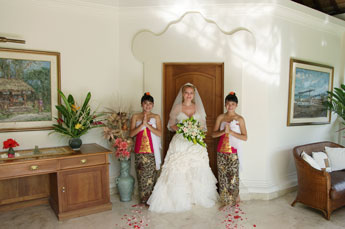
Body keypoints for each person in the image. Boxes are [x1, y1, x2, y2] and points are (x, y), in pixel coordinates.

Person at [147, 83, 218, 213]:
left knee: (197, 167)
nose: (189, 95)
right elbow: (171, 125)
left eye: (191, 93)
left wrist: (195, 132)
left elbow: (202, 126)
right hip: (180, 141)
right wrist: (183, 130)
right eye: (186, 92)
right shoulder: (177, 108)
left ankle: (196, 196)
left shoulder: (198, 108)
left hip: (195, 143)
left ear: (194, 95)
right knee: (179, 167)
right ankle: (177, 198)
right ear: (183, 94)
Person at [212, 92, 247, 209]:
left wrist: (231, 132)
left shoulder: (239, 119)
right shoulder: (221, 117)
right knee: (222, 176)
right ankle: (225, 200)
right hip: (221, 151)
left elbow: (245, 137)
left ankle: (234, 198)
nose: (230, 106)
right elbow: (213, 134)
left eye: (232, 104)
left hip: (234, 152)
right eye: (228, 104)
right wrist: (223, 132)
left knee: (233, 176)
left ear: (236, 105)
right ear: (225, 105)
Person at [130, 92, 162, 205]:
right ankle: (143, 199)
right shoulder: (135, 116)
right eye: (145, 103)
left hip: (152, 150)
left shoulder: (156, 117)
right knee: (141, 174)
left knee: (151, 175)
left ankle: (150, 199)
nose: (147, 106)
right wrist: (141, 125)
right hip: (139, 150)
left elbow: (159, 133)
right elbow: (131, 134)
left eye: (150, 104)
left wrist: (147, 125)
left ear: (153, 105)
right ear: (141, 104)